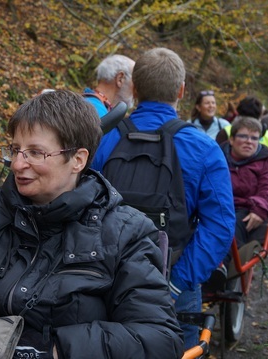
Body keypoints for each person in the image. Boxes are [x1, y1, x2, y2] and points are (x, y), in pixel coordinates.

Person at [0, 90, 183, 358]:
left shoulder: (124, 234)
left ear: (78, 159)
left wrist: (55, 349)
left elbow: (159, 337)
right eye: (15, 150)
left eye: (35, 153)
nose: (17, 164)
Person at [92, 47, 235, 350]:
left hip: (104, 281)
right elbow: (220, 226)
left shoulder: (103, 138)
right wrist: (175, 283)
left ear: (134, 88)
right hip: (173, 284)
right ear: (182, 90)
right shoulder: (204, 148)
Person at [221, 116, 268, 249]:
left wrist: (259, 208)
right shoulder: (217, 158)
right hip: (220, 206)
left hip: (248, 208)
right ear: (231, 139)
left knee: (233, 224)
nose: (249, 142)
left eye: (254, 138)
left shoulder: (265, 161)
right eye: (243, 136)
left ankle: (228, 267)